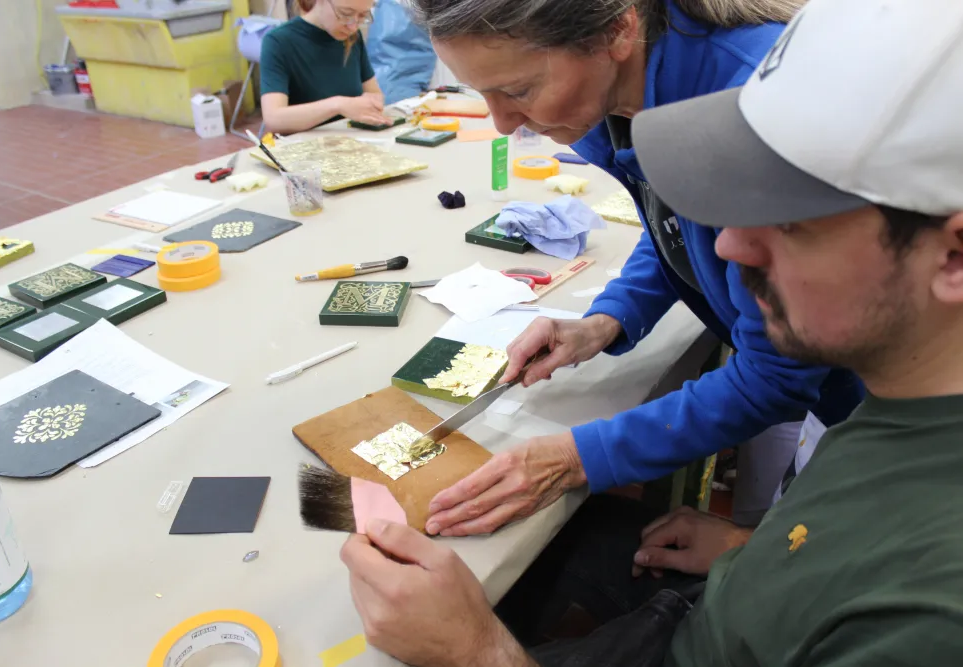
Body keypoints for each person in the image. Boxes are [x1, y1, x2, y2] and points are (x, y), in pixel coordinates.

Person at [339, 0, 963, 665]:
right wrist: (759, 544)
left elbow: (777, 377)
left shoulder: (926, 604)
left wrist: (478, 653)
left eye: (789, 224)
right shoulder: (899, 411)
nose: (725, 245)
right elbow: (680, 228)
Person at [414, 0, 864, 539]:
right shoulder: (630, 84)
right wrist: (609, 318)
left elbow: (778, 375)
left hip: (884, 414)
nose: (503, 124)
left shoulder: (757, 111)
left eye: (518, 90)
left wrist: (578, 456)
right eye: (479, 94)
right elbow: (677, 220)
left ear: (617, 29)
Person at [260, 0, 390, 133]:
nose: (353, 27)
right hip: (303, 148)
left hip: (350, 143)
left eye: (362, 16)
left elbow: (374, 93)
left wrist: (373, 102)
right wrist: (337, 105)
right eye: (346, 14)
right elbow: (273, 119)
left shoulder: (353, 38)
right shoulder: (279, 41)